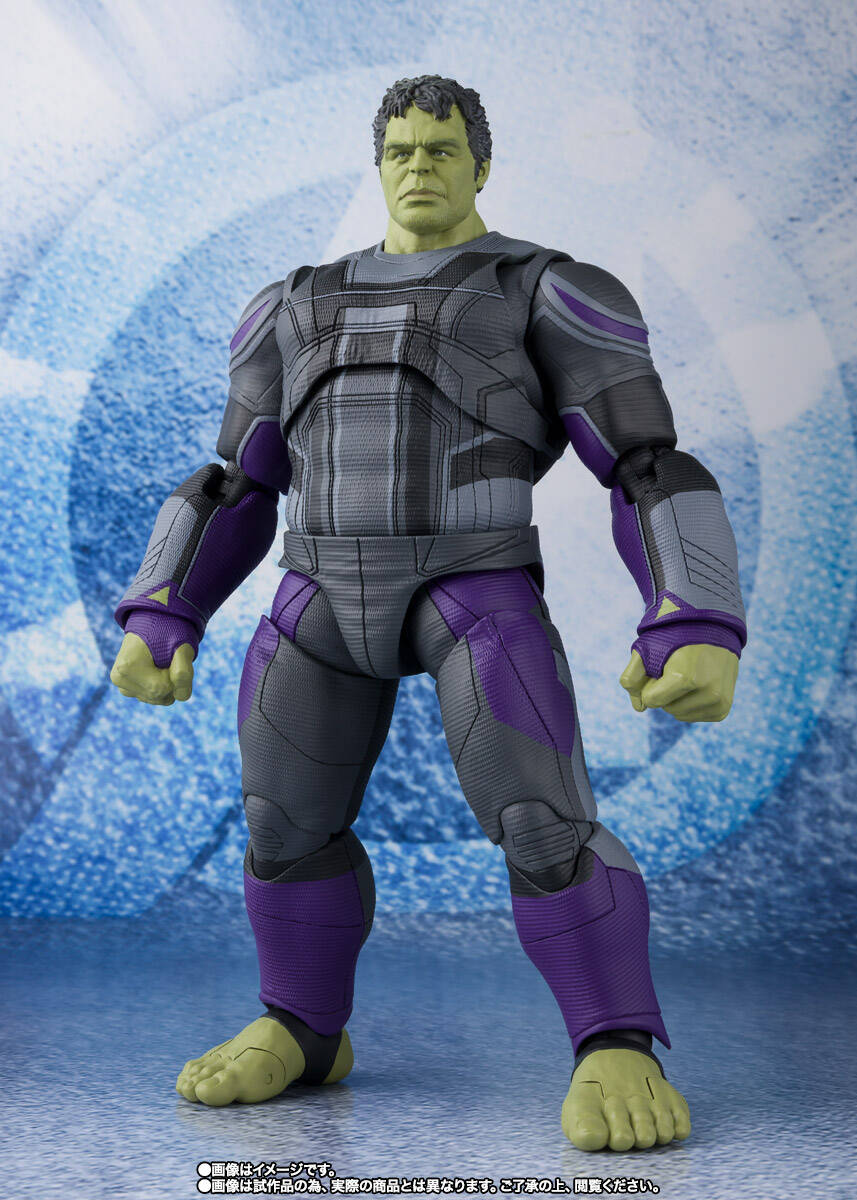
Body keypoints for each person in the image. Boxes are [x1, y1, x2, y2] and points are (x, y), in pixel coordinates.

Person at [110, 74, 746, 1152]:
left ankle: (615, 1041)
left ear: (480, 163)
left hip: (472, 588)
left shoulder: (547, 288)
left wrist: (692, 614)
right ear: (377, 162)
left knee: (541, 819)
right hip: (315, 596)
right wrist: (165, 605)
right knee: (282, 823)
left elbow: (643, 463)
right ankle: (302, 1027)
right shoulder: (291, 303)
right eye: (400, 149)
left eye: (441, 150)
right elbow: (236, 481)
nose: (418, 167)